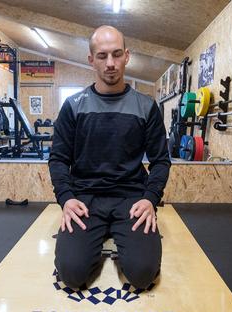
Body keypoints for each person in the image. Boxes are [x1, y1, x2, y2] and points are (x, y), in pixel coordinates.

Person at [48, 25, 171, 290]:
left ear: (127, 56)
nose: (111, 63)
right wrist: (66, 199)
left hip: (131, 198)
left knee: (142, 275)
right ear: (91, 60)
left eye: (117, 55)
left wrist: (150, 200)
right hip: (84, 199)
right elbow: (58, 159)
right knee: (72, 273)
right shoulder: (73, 106)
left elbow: (161, 161)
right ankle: (93, 238)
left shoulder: (146, 107)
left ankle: (120, 237)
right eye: (102, 56)